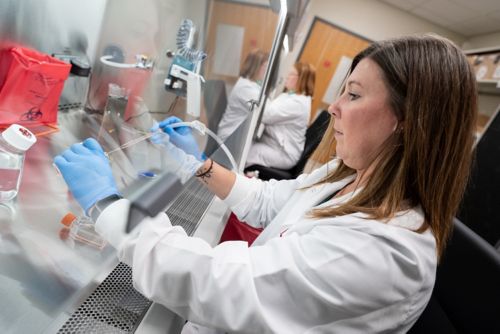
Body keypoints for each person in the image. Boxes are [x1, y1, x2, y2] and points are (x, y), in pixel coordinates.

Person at [54, 34, 477, 333]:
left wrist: (108, 205)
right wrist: (195, 163)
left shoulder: (386, 251)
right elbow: (267, 200)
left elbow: (217, 287)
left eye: (353, 94)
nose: (333, 108)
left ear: (407, 122)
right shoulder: (346, 178)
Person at [245, 62, 316, 169]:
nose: (287, 76)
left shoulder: (298, 103)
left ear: (301, 79)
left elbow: (266, 115)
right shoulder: (291, 95)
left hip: (283, 154)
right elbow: (270, 109)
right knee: (247, 145)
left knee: (249, 152)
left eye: (291, 74)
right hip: (275, 145)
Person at [217, 49, 269, 141]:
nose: (267, 70)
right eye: (265, 66)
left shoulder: (251, 84)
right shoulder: (245, 88)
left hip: (236, 134)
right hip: (229, 137)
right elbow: (265, 112)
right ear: (256, 67)